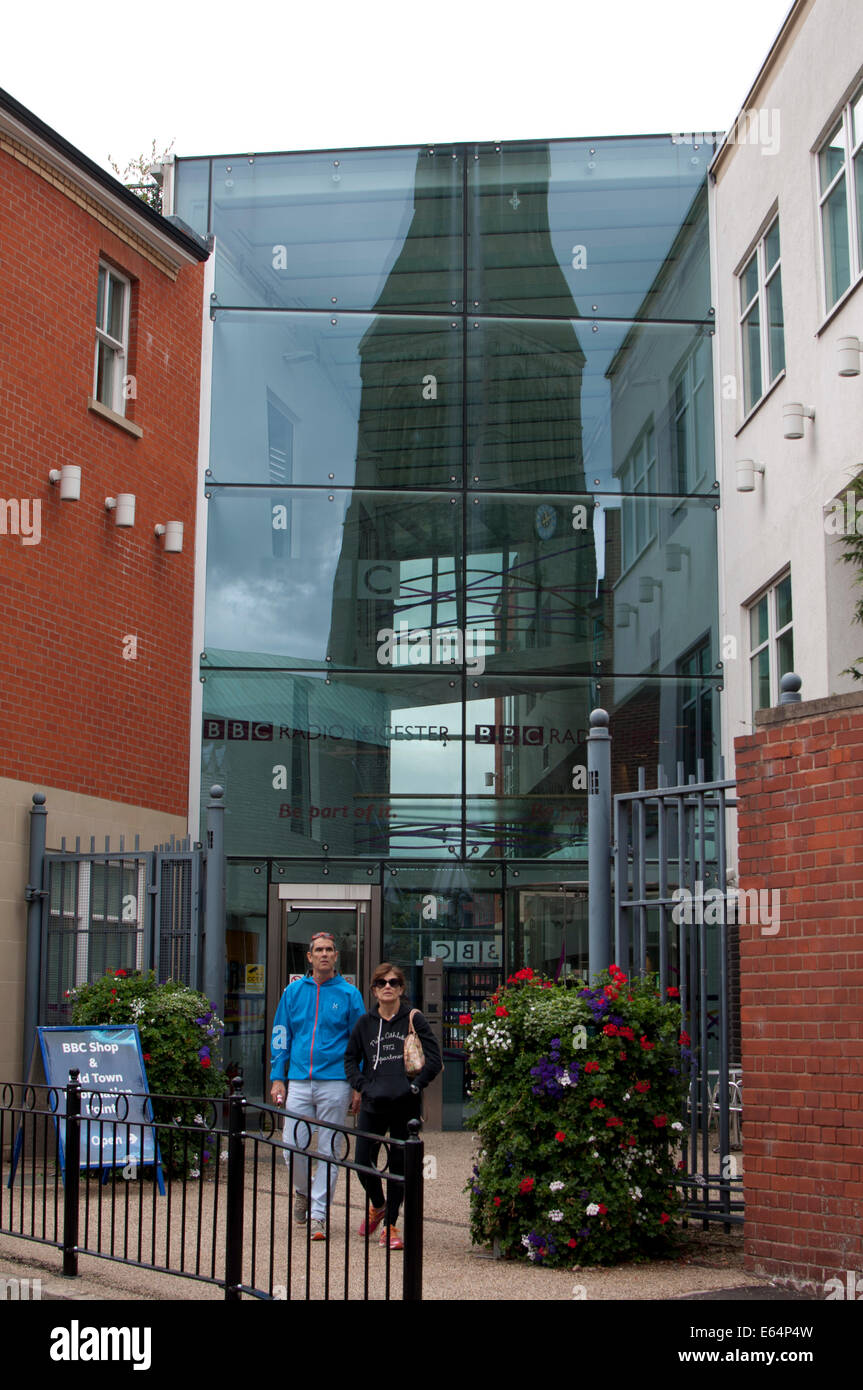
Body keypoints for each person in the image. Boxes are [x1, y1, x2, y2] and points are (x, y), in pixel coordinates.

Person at [270, 931, 365, 1240]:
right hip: (298, 1080)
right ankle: (303, 1190)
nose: (324, 954)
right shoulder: (293, 992)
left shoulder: (350, 995)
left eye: (329, 950)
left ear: (336, 956)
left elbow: (358, 1041)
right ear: (309, 957)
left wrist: (357, 1084)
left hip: (336, 1081)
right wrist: (277, 1076)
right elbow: (282, 1033)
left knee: (329, 1150)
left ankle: (319, 1215)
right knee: (292, 1145)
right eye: (319, 950)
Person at [344, 962, 442, 1250]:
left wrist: (414, 1086)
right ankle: (378, 1205)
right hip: (374, 1104)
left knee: (399, 1169)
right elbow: (350, 1059)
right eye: (382, 983)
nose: (388, 987)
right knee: (363, 1163)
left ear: (401, 988)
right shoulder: (364, 1023)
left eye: (394, 983)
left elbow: (435, 1060)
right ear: (374, 990)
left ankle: (391, 1226)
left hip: (404, 1106)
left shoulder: (414, 1019)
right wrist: (363, 1086)